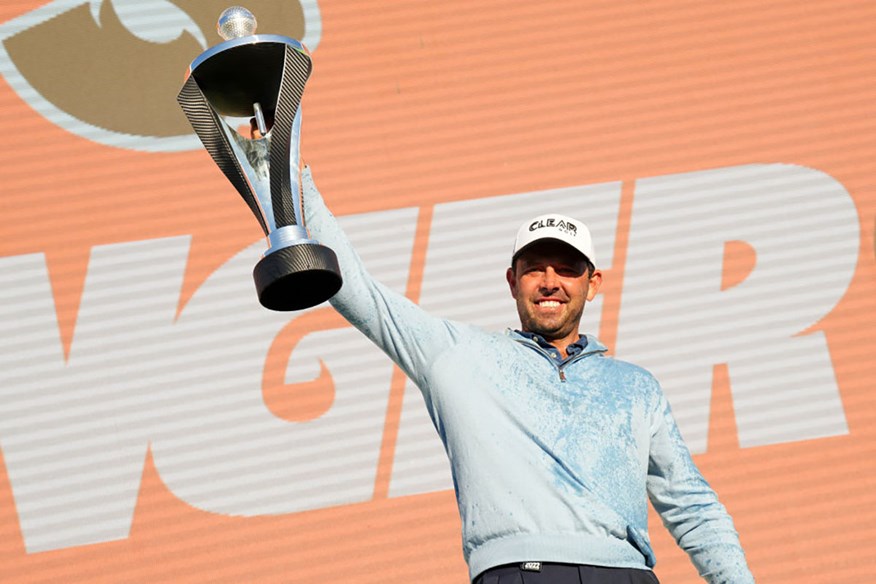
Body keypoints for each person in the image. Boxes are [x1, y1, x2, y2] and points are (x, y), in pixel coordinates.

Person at [299, 167, 755, 584]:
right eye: (534, 268)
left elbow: (692, 506)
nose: (550, 281)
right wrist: (294, 182)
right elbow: (359, 293)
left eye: (567, 269)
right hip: (518, 572)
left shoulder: (636, 386)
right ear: (512, 281)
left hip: (626, 574)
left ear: (592, 283)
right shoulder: (459, 354)